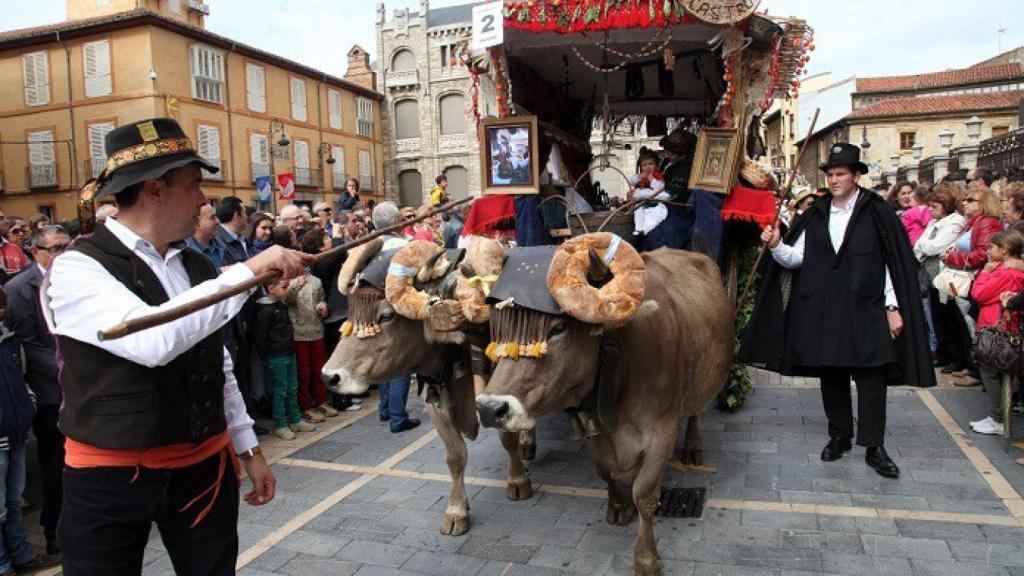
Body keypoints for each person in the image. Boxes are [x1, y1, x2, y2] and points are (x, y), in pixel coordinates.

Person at [44, 118, 309, 574]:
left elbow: (216, 362)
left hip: (203, 466)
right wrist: (247, 273)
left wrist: (248, 446)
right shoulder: (76, 268)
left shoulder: (195, 264)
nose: (204, 200)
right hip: (108, 476)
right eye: (193, 186)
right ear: (154, 190)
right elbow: (151, 340)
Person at [741, 143, 935, 479]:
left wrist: (893, 307)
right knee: (831, 374)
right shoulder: (816, 213)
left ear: (856, 175)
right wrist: (775, 246)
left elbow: (891, 265)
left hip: (867, 306)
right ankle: (839, 436)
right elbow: (794, 259)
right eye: (830, 174)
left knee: (872, 377)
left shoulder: (876, 212)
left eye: (840, 174)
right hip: (824, 308)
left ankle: (874, 447)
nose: (833, 180)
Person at [3, 225, 69, 557]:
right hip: (50, 394)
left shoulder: (77, 280)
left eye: (65, 247)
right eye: (55, 249)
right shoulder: (20, 288)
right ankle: (54, 531)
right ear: (36, 253)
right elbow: (27, 344)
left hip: (81, 386)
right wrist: (70, 366)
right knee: (55, 466)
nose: (62, 254)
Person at [0, 286, 59, 574]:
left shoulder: (9, 340)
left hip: (16, 430)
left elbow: (21, 377)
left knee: (13, 500)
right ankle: (3, 563)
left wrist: (27, 405)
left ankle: (21, 554)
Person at [939, 185, 1002, 382]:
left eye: (971, 200)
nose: (965, 203)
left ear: (984, 204)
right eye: (965, 199)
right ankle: (971, 365)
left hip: (975, 278)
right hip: (963, 277)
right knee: (964, 322)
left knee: (973, 323)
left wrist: (953, 257)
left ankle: (977, 370)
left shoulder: (987, 224)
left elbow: (984, 254)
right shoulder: (972, 223)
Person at [967, 230, 1024, 436]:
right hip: (1003, 327)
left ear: (1005, 250)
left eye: (992, 247)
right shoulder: (1012, 271)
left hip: (995, 327)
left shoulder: (1006, 273)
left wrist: (985, 273)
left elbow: (979, 294)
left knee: (990, 371)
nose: (988, 251)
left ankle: (998, 417)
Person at [371, 202, 420, 433]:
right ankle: (398, 418)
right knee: (400, 363)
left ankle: (385, 409)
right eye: (402, 219)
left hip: (375, 310)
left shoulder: (369, 246)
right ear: (395, 223)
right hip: (398, 309)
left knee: (383, 360)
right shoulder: (405, 246)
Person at [287, 229, 341, 423]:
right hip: (299, 332)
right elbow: (286, 299)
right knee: (304, 372)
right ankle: (306, 406)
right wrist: (294, 286)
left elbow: (321, 298)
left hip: (316, 331)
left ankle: (320, 401)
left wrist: (323, 306)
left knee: (319, 368)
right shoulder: (290, 281)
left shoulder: (316, 281)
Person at [253, 278, 316, 440]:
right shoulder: (264, 311)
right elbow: (260, 337)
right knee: (280, 390)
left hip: (289, 351)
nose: (287, 290)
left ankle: (295, 419)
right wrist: (265, 357)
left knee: (292, 387)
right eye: (284, 287)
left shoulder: (281, 304)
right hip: (276, 355)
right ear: (271, 288)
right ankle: (281, 424)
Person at [914, 185, 967, 374]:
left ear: (946, 205)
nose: (930, 210)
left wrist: (924, 247)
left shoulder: (955, 223)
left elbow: (932, 247)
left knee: (952, 316)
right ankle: (943, 354)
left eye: (934, 206)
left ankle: (958, 357)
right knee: (938, 316)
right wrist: (924, 247)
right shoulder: (932, 223)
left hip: (948, 277)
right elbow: (919, 245)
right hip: (931, 277)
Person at [628, 148, 669, 237]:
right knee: (638, 210)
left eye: (651, 164)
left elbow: (660, 187)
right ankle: (638, 229)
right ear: (640, 167)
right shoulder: (641, 175)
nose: (648, 167)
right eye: (644, 165)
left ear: (657, 165)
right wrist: (639, 177)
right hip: (641, 200)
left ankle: (647, 229)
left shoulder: (657, 175)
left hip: (653, 196)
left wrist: (652, 179)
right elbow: (631, 181)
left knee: (653, 213)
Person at [186, 203, 225, 268]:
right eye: (212, 218)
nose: (218, 221)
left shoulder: (221, 245)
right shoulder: (186, 254)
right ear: (197, 223)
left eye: (216, 217)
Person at [215, 197, 249, 266]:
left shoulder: (242, 238)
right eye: (244, 213)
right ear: (236, 216)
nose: (246, 216)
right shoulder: (219, 242)